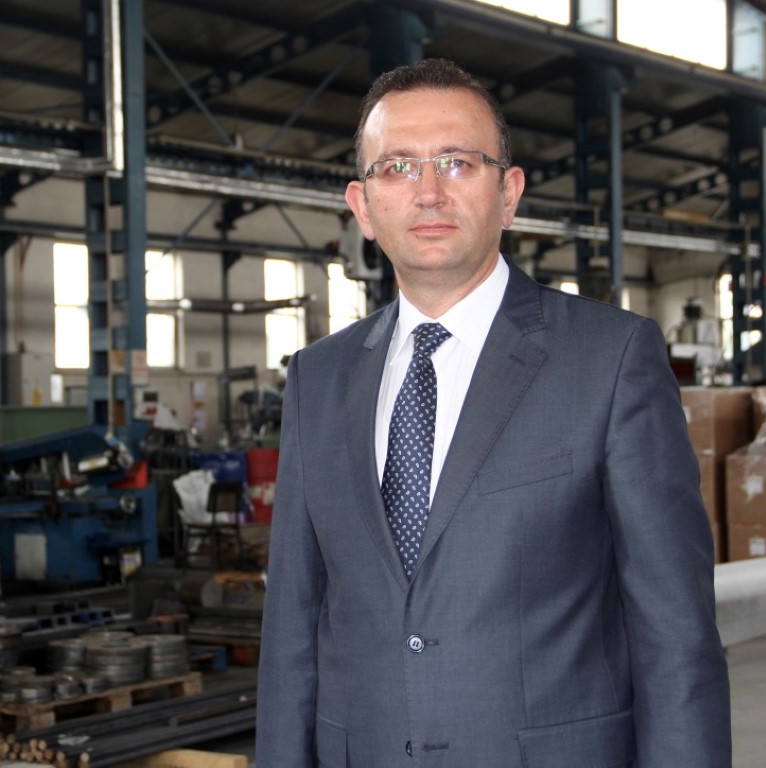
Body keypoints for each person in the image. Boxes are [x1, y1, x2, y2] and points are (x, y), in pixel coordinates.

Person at [255, 58, 730, 766]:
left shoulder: (609, 359)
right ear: (363, 206)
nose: (428, 192)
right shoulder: (316, 380)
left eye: (458, 162)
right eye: (397, 168)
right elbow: (293, 624)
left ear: (508, 193)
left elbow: (676, 632)